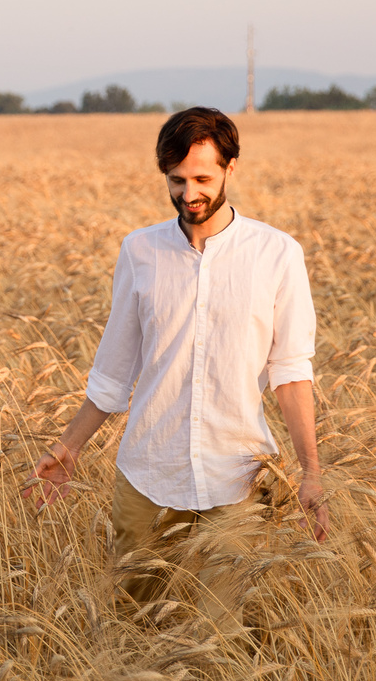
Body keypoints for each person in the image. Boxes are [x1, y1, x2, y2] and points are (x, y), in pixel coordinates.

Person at [22, 106, 329, 601]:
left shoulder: (277, 254)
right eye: (176, 180)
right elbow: (115, 370)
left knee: (222, 632)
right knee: (133, 623)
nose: (189, 195)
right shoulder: (140, 252)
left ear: (231, 167)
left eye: (203, 178)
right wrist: (68, 448)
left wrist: (310, 472)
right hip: (147, 474)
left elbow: (291, 372)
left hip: (238, 477)